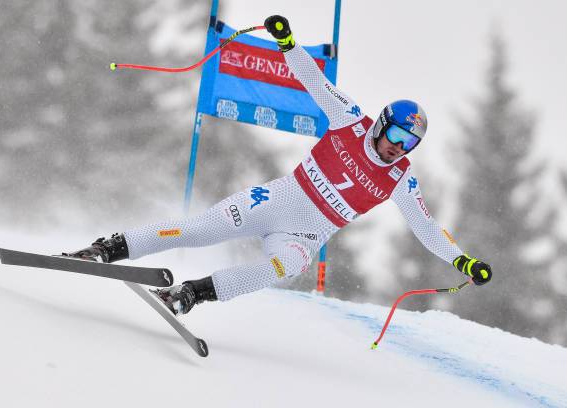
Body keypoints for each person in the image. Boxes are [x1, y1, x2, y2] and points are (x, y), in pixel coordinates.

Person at [64, 15, 492, 315]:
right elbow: (314, 81)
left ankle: (191, 295)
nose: (399, 148)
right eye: (397, 136)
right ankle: (107, 248)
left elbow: (427, 228)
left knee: (285, 268)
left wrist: (464, 262)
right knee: (200, 230)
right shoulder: (350, 120)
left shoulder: (399, 178)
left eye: (410, 143)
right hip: (280, 198)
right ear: (382, 124)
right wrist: (288, 43)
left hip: (307, 232)